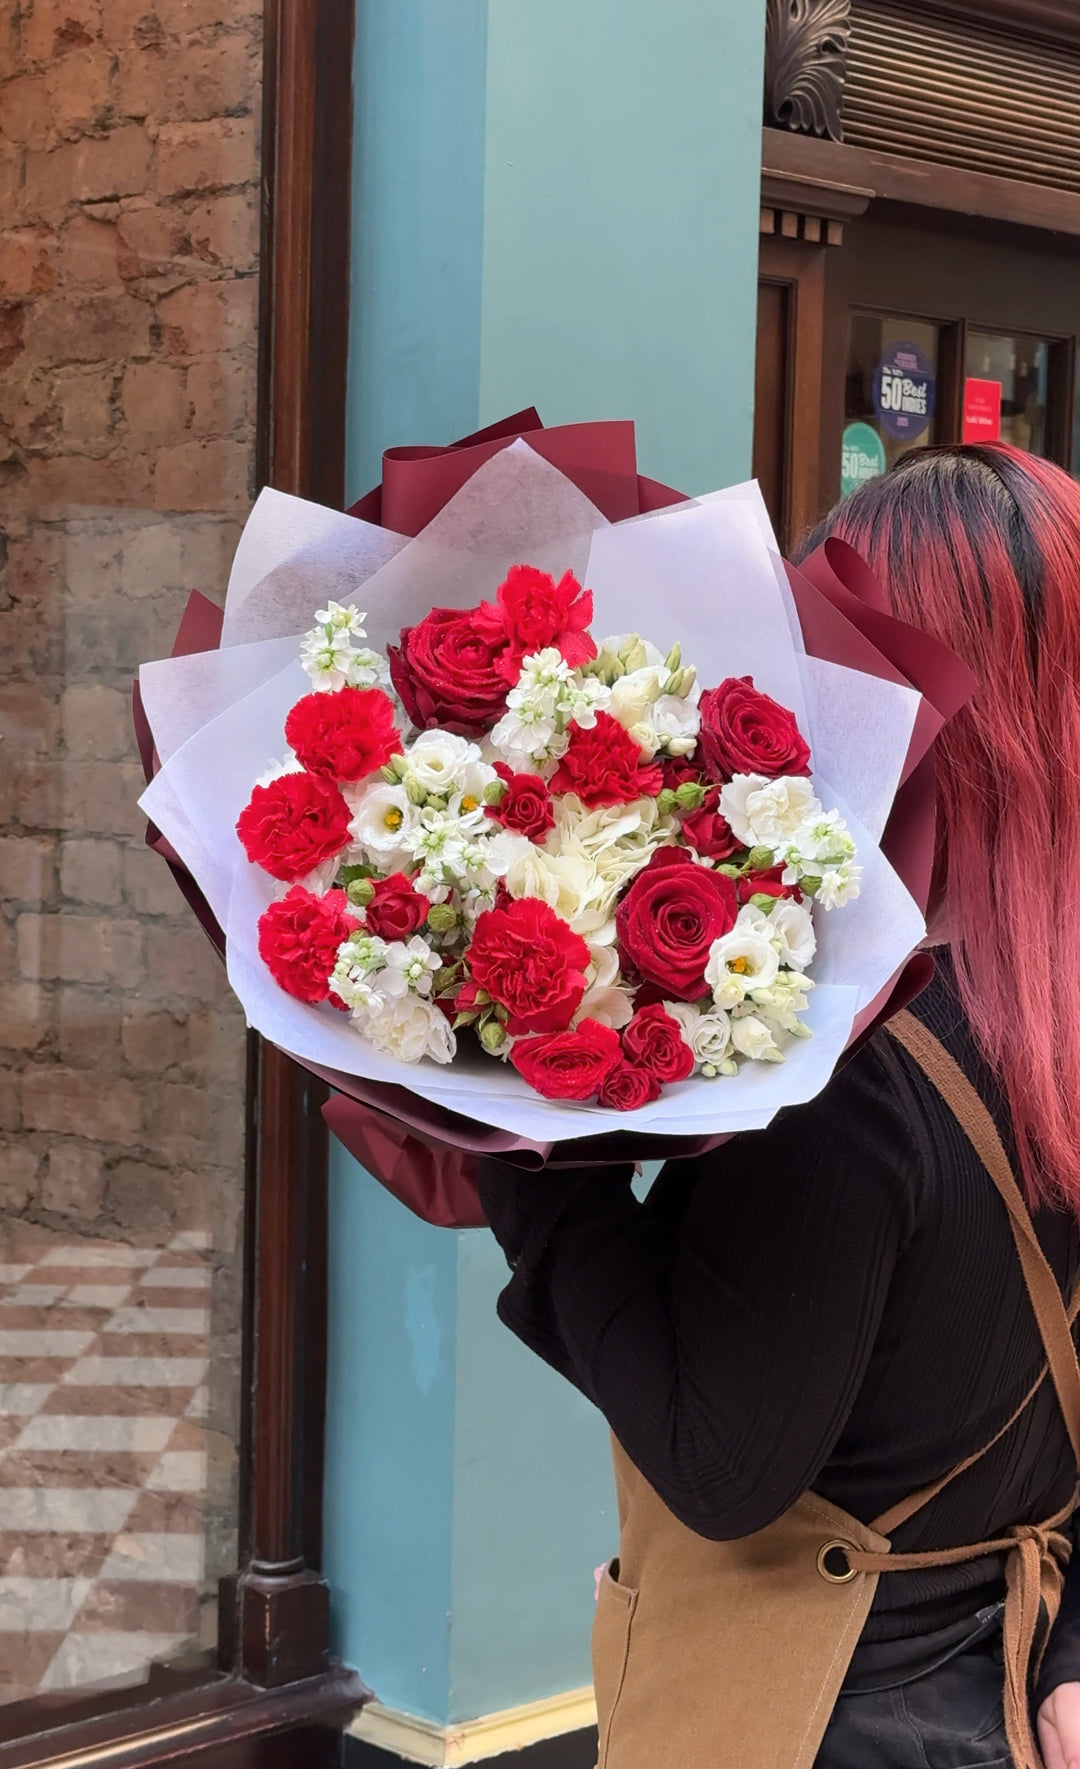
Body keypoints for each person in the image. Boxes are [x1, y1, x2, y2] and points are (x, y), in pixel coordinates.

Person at [476, 443, 1080, 1768]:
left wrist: (518, 1144)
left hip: (816, 1722)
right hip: (999, 1700)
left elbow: (722, 1464)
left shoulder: (855, 1068)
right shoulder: (1045, 1012)